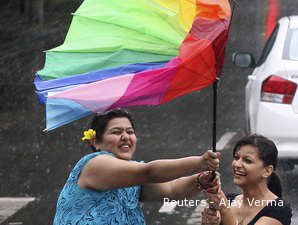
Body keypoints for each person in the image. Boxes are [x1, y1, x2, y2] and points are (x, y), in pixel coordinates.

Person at [52, 108, 221, 225]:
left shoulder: (132, 174)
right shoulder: (96, 163)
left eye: (130, 132)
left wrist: (200, 180)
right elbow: (149, 172)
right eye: (116, 132)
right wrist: (199, 162)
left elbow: (171, 190)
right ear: (95, 142)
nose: (126, 137)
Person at [201, 134, 292, 225]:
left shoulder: (279, 210)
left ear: (267, 171)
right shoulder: (229, 200)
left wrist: (224, 210)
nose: (237, 164)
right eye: (236, 158)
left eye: (247, 161)